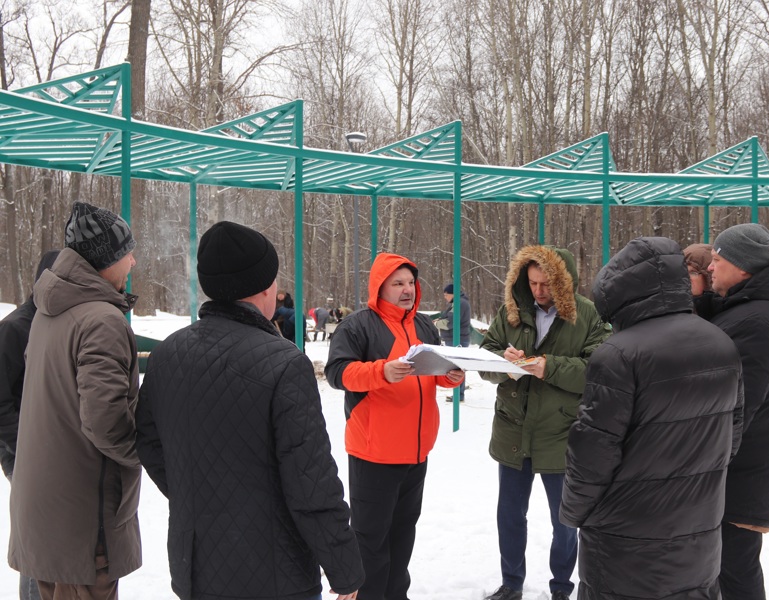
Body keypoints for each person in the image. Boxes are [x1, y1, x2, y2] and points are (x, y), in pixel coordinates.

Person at [136, 221, 363, 600]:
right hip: (274, 571)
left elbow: (149, 441)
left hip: (196, 566)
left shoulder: (166, 354)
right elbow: (311, 482)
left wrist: (195, 497)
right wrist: (345, 570)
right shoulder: (285, 364)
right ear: (264, 286)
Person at [560, 237, 744, 600]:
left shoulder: (617, 355)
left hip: (624, 544)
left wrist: (574, 514)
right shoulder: (721, 343)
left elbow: (592, 451)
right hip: (698, 533)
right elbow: (732, 436)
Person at [8, 201, 141, 599]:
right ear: (106, 259)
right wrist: (149, 448)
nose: (133, 261)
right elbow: (106, 422)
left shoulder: (52, 312)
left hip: (48, 512)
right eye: (127, 252)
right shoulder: (99, 319)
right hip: (82, 520)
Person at [325, 253, 464, 600]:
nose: (407, 290)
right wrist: (381, 371)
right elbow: (337, 373)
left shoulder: (424, 325)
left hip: (416, 452)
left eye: (410, 283)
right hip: (374, 452)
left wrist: (450, 377)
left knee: (403, 535)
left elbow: (433, 373)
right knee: (370, 540)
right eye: (397, 283)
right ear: (379, 287)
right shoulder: (357, 326)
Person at [479, 245, 612, 600]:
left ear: (564, 283)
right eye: (533, 283)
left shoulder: (587, 316)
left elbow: (598, 370)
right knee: (509, 515)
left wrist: (547, 366)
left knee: (565, 520)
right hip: (513, 430)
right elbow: (485, 356)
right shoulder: (511, 310)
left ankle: (561, 588)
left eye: (547, 285)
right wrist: (503, 361)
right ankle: (511, 583)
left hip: (562, 432)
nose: (539, 291)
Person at [705, 223, 769, 600]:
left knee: (733, 573)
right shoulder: (753, 311)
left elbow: (734, 411)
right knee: (730, 570)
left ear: (743, 268)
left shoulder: (758, 322)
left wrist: (699, 463)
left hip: (738, 480)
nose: (710, 268)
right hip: (742, 476)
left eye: (717, 260)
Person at [0, 249, 59, 600]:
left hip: (52, 454)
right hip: (23, 455)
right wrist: (27, 447)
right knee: (38, 546)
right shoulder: (14, 329)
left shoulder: (55, 325)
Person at [437, 283, 471, 402]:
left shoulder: (459, 303)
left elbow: (450, 322)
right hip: (455, 338)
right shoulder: (458, 303)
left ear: (453, 294)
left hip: (457, 339)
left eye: (446, 294)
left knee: (456, 368)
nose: (445, 297)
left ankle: (458, 394)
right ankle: (458, 392)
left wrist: (436, 324)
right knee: (456, 367)